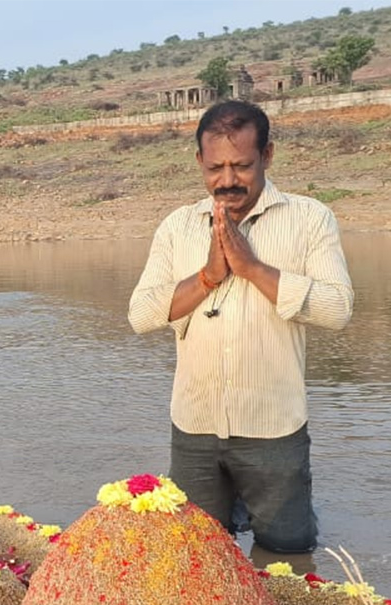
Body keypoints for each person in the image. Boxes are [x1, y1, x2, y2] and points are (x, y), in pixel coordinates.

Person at [128, 100, 353, 554]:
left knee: (288, 553)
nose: (227, 180)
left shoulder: (309, 219)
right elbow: (140, 314)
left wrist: (251, 268)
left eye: (242, 165)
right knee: (200, 557)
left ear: (267, 155)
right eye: (216, 168)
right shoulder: (178, 227)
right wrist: (209, 276)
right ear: (199, 162)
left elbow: (337, 309)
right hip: (195, 428)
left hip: (273, 428)